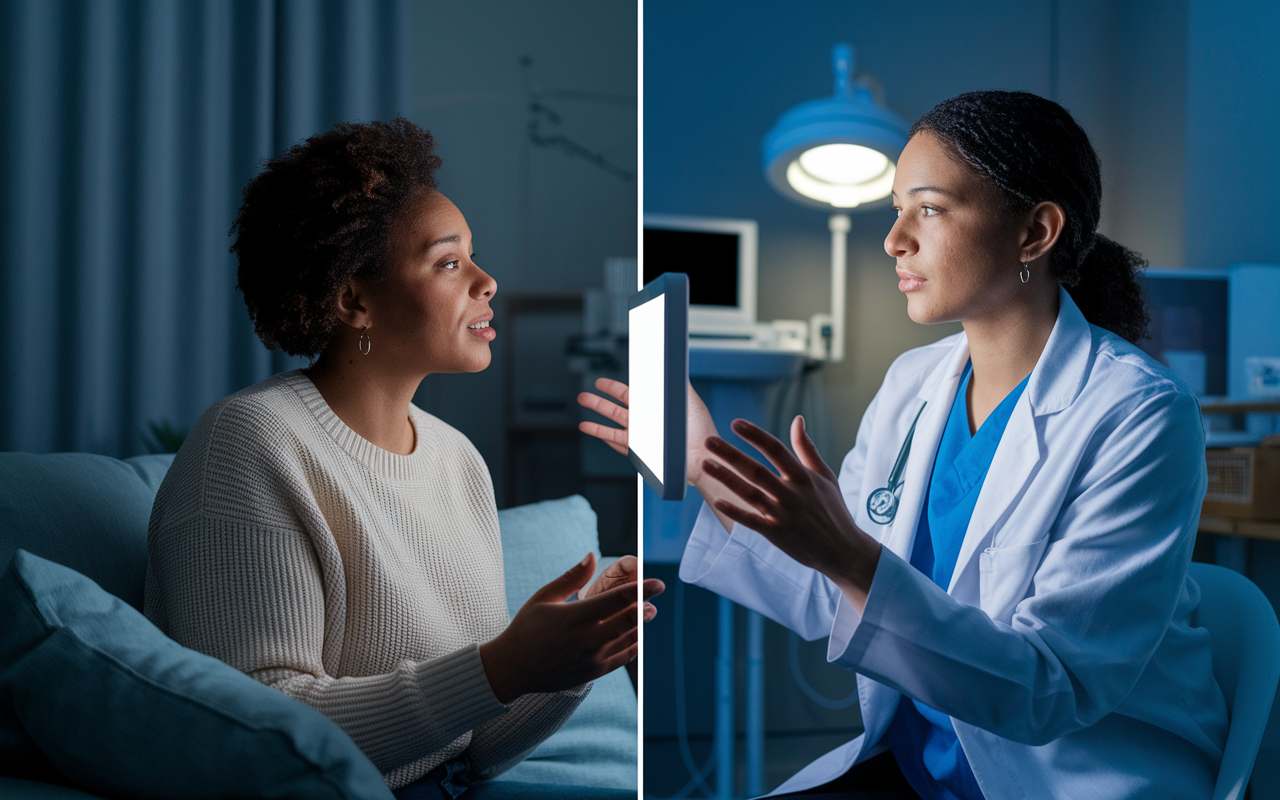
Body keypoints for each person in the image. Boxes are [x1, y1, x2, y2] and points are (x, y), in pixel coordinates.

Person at [580, 91, 1226, 800]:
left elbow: (1050, 692)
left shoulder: (1139, 414)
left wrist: (847, 552)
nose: (894, 240)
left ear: (1035, 232)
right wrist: (705, 468)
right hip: (924, 768)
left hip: (1068, 778)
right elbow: (836, 595)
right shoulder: (914, 384)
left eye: (930, 208)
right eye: (895, 210)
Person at [145, 118, 660, 799]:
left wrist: (569, 662)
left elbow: (471, 750)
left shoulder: (458, 459)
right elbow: (261, 731)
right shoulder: (249, 444)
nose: (488, 281)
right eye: (450, 262)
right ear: (354, 300)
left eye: (473, 256)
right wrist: (501, 669)